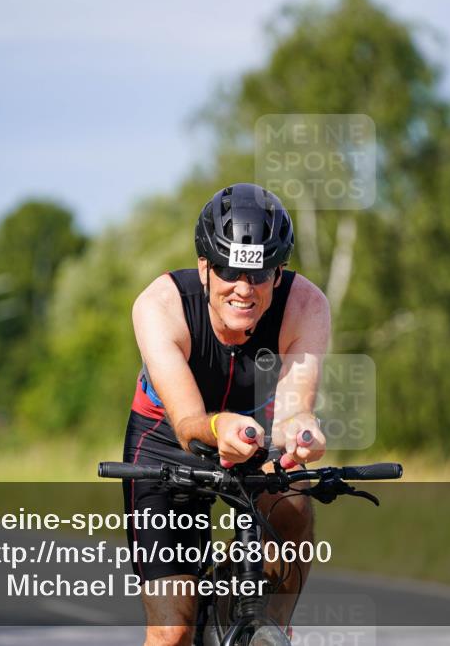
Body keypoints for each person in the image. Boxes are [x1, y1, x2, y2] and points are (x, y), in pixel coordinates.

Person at [124, 183, 330, 645]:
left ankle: (268, 629)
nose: (244, 288)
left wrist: (304, 434)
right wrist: (220, 426)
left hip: (255, 434)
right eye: (230, 271)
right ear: (205, 268)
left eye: (259, 275)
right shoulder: (160, 306)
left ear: (278, 274)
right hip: (166, 441)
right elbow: (188, 425)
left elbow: (295, 409)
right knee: (172, 631)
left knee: (294, 501)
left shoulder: (306, 305)